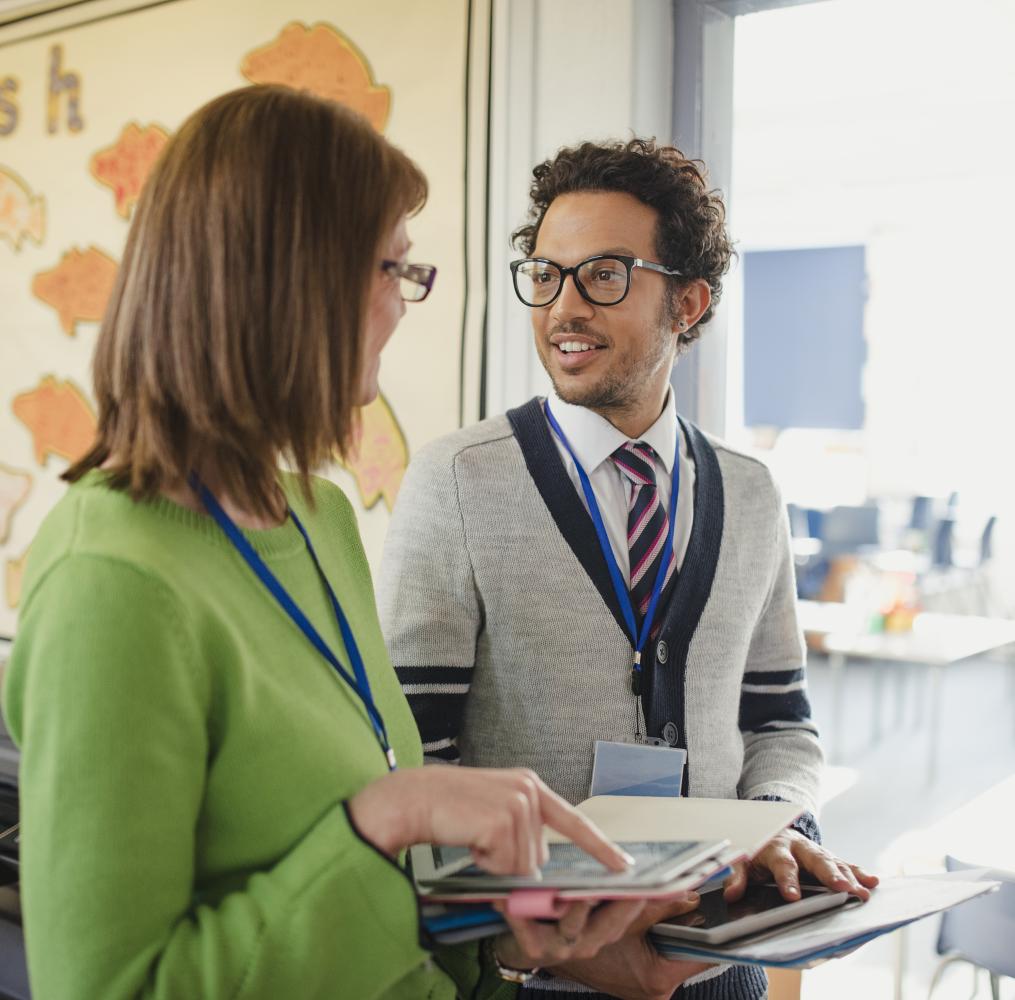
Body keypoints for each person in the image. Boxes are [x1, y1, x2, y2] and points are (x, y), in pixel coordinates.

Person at [1, 89, 677, 1000]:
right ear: (289, 279)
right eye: (391, 269)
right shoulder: (112, 577)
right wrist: (382, 819)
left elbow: (378, 910)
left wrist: (523, 943)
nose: (403, 307)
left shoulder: (318, 519)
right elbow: (110, 987)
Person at [378, 138, 878, 1000]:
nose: (562, 307)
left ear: (687, 301)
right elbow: (417, 754)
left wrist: (774, 828)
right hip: (543, 974)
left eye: (603, 275)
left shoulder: (751, 493)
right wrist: (545, 934)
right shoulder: (458, 480)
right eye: (545, 275)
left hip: (723, 962)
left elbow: (780, 724)